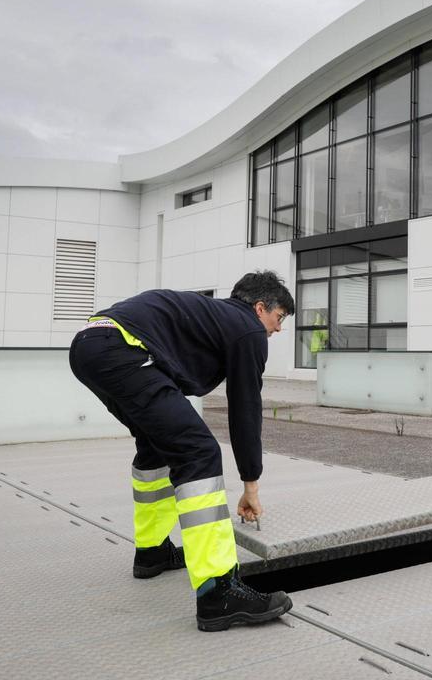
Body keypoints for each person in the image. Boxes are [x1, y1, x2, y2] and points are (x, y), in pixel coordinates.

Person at [68, 270, 295, 632]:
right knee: (199, 451)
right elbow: (245, 410)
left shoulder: (211, 317)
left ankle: (152, 551)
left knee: (157, 447)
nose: (278, 329)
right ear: (259, 307)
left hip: (90, 343)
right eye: (279, 318)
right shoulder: (247, 327)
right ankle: (218, 592)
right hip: (120, 347)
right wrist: (251, 483)